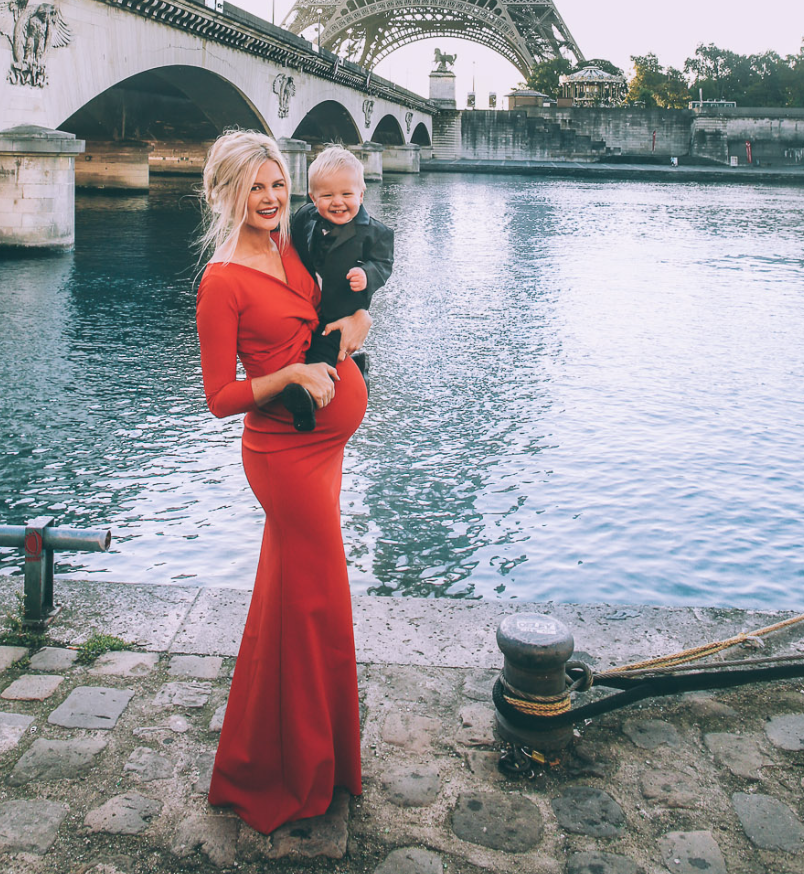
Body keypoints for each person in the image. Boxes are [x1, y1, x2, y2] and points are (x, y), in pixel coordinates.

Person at [195, 129, 370, 835]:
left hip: (322, 445)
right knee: (319, 600)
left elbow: (338, 288)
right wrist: (292, 374)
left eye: (276, 184)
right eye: (254, 188)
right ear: (224, 193)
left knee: (288, 601)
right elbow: (219, 397)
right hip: (283, 455)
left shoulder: (289, 240)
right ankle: (294, 770)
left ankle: (286, 753)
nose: (269, 198)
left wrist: (359, 316)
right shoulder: (222, 281)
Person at [282, 145, 394, 432]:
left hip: (340, 312)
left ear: (361, 194)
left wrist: (367, 274)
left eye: (346, 194)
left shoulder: (377, 233)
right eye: (327, 196)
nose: (337, 202)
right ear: (312, 198)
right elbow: (288, 236)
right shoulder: (305, 217)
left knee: (322, 355)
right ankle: (354, 367)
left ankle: (307, 404)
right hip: (307, 305)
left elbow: (383, 264)